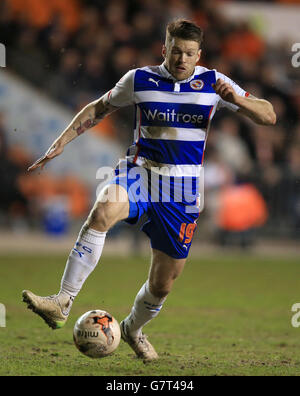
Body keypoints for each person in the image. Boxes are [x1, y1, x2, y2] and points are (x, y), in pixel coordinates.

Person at [22, 19, 276, 362]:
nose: (181, 59)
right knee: (102, 211)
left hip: (183, 189)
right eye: (175, 51)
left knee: (162, 284)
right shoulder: (139, 79)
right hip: (140, 174)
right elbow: (99, 107)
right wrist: (61, 142)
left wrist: (240, 102)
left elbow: (269, 115)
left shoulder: (214, 82)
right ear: (164, 49)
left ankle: (132, 329)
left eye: (189, 53)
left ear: (198, 54)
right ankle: (62, 301)